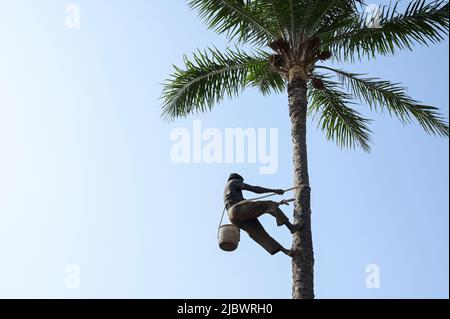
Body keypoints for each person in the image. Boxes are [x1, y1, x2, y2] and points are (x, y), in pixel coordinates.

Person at [223, 173, 303, 257]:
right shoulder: (234, 181)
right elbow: (254, 189)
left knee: (258, 233)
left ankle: (286, 251)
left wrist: (277, 204)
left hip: (234, 217)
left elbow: (252, 206)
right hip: (238, 210)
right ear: (237, 179)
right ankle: (291, 227)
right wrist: (274, 190)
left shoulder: (227, 190)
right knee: (270, 205)